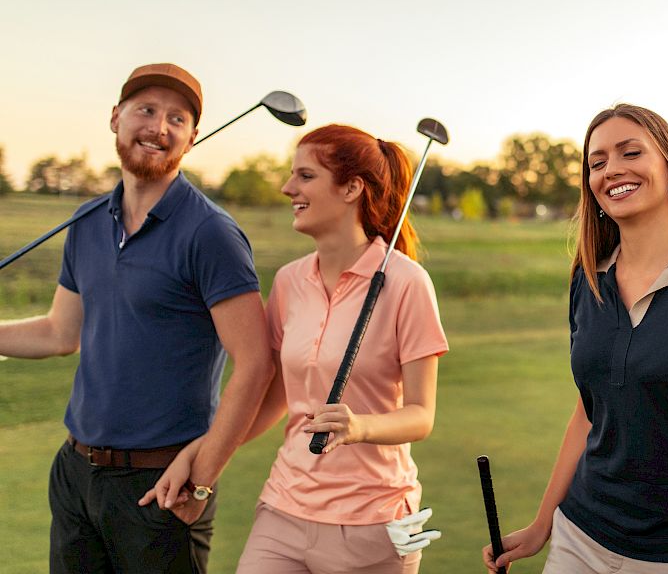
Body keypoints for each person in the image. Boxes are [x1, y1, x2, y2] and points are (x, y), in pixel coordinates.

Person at [0, 63, 274, 573]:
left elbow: (256, 363)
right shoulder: (86, 221)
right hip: (76, 474)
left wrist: (203, 477)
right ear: (115, 118)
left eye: (177, 119)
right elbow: (60, 333)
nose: (159, 127)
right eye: (146, 110)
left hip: (162, 482)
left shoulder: (211, 233)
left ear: (192, 138)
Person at [485, 104, 668, 573]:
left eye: (630, 152)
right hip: (579, 537)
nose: (612, 170)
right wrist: (542, 524)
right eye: (597, 162)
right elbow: (588, 412)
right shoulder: (587, 278)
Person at [144, 123, 448, 573]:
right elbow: (273, 400)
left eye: (305, 176)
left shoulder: (407, 283)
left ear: (351, 188)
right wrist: (200, 453)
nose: (288, 188)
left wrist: (358, 426)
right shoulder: (289, 281)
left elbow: (421, 416)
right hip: (284, 508)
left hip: (373, 522)